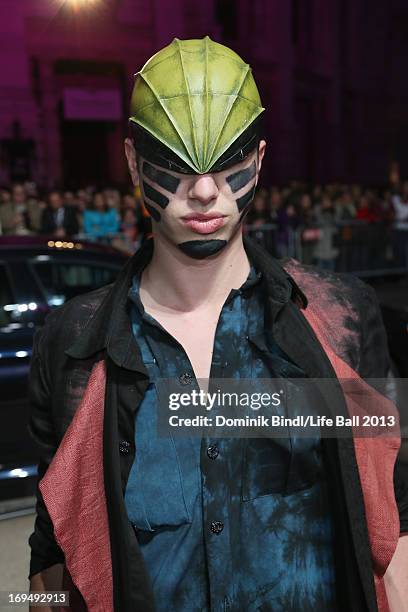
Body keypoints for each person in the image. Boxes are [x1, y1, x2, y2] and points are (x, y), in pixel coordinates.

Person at [28, 37, 407, 612]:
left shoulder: (342, 319)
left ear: (259, 158)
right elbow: (54, 547)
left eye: (229, 161)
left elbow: (394, 517)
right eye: (175, 166)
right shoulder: (73, 344)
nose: (205, 191)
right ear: (133, 161)